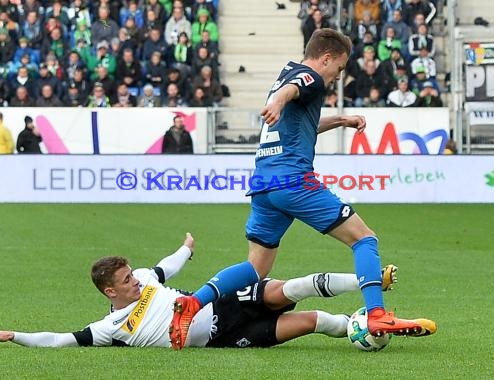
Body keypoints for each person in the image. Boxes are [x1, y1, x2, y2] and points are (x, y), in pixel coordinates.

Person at [169, 29, 436, 350]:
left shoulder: (287, 73)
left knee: (255, 268)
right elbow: (294, 92)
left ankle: (192, 304)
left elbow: (298, 115)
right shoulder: (310, 77)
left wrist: (339, 120)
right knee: (364, 239)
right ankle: (377, 314)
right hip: (293, 181)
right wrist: (280, 102)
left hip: (264, 185)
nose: (337, 76)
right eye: (338, 68)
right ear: (326, 58)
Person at [0, 234, 406, 349]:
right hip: (223, 338)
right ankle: (360, 331)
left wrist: (187, 248)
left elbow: (166, 266)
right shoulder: (110, 328)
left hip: (220, 300)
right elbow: (61, 340)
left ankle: (369, 283)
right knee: (315, 323)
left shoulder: (145, 277)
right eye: (127, 282)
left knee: (289, 287)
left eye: (134, 275)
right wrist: (16, 336)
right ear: (110, 292)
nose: (138, 281)